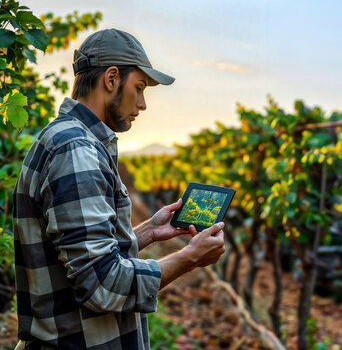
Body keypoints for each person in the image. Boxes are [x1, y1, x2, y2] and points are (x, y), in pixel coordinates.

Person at [12, 28, 226, 350]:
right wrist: (189, 258)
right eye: (139, 88)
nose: (142, 104)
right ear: (111, 79)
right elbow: (102, 283)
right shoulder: (76, 150)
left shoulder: (69, 138)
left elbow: (74, 254)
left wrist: (148, 232)